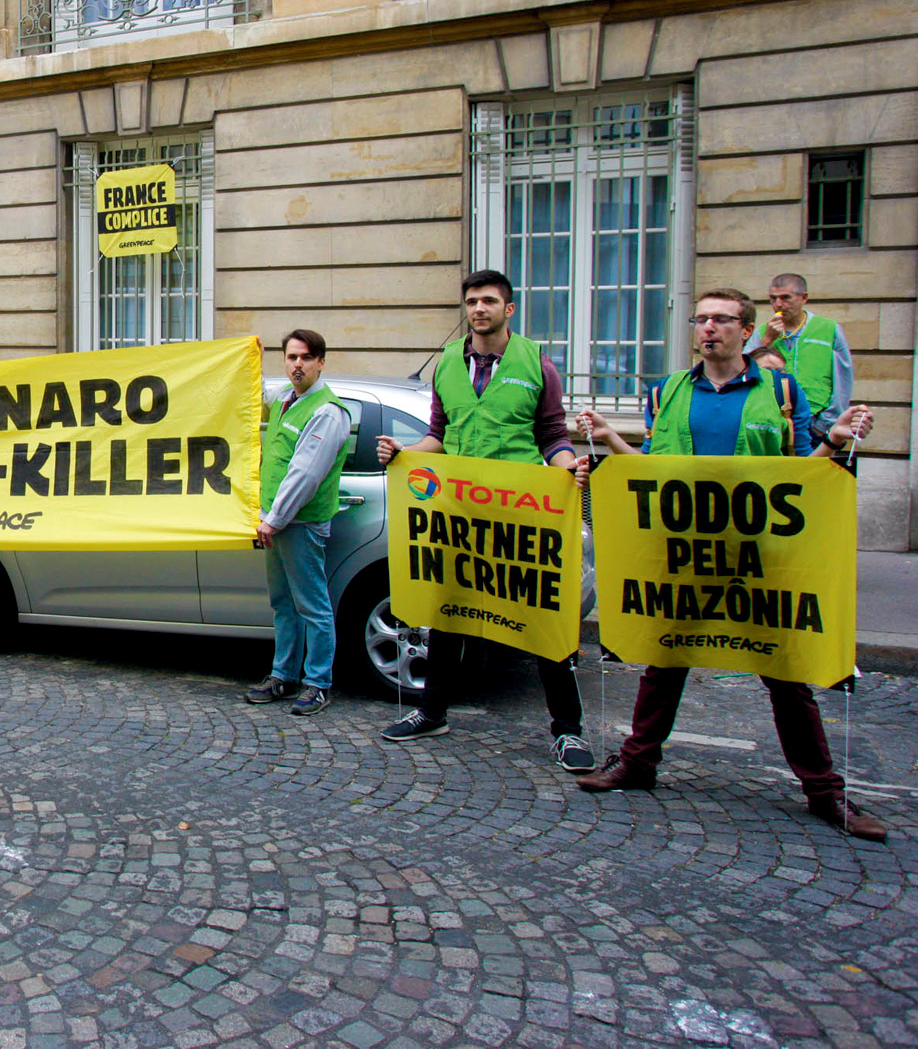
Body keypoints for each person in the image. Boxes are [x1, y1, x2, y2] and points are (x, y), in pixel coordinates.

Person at [575, 287, 885, 840]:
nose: (709, 328)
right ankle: (637, 764)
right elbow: (655, 469)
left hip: (758, 559)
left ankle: (825, 792)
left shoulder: (780, 389)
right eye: (702, 319)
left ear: (747, 330)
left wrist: (834, 445)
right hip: (685, 553)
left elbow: (798, 477)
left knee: (786, 675)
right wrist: (611, 441)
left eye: (722, 319)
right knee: (665, 660)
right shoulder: (667, 390)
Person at [374, 269, 596, 772]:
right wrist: (404, 452)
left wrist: (571, 469)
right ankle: (431, 712)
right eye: (472, 301)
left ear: (508, 309)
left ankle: (568, 731)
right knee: (446, 611)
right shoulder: (448, 363)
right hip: (459, 510)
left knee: (542, 619)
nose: (479, 309)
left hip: (520, 512)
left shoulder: (537, 363)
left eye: (490, 301)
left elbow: (552, 436)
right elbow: (439, 435)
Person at [242, 330, 353, 717]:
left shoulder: (327, 411)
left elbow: (305, 474)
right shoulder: (287, 399)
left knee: (312, 605)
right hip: (276, 521)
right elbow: (250, 400)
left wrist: (273, 520)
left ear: (321, 361)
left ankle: (318, 683)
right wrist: (247, 361)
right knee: (283, 604)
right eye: (291, 357)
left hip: (298, 523)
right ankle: (283, 675)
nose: (297, 365)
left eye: (306, 358)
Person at [751, 274, 853, 437]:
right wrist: (767, 340)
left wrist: (826, 423)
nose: (778, 304)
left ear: (803, 298)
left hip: (815, 421)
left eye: (785, 298)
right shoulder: (763, 331)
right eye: (773, 298)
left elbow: (843, 380)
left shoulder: (828, 329)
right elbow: (743, 371)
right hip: (771, 420)